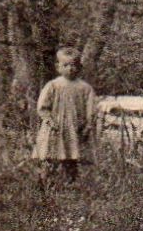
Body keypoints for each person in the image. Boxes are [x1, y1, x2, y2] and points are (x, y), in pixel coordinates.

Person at [34, 46, 97, 184]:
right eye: (66, 65)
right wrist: (49, 121)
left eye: (74, 65)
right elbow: (42, 107)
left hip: (74, 128)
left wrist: (87, 125)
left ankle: (70, 183)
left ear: (79, 67)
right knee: (48, 155)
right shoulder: (53, 86)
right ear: (58, 67)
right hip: (55, 127)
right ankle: (45, 182)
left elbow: (91, 110)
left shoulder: (85, 88)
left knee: (71, 156)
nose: (70, 69)